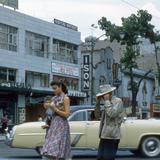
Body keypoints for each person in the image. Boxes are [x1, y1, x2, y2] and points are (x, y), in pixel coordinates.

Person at [41, 81, 71, 160]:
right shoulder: (53, 98)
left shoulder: (65, 98)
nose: (53, 90)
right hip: (53, 125)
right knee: (49, 149)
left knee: (59, 149)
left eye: (55, 88)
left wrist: (55, 109)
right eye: (52, 89)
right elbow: (50, 114)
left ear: (60, 87)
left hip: (61, 126)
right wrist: (48, 123)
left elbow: (67, 115)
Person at [94, 84, 124, 160]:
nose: (103, 97)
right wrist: (97, 103)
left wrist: (107, 101)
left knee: (108, 158)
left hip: (112, 136)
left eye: (104, 95)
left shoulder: (118, 101)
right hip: (104, 135)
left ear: (109, 93)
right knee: (100, 158)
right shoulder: (105, 103)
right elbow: (97, 116)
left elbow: (112, 114)